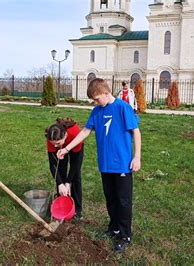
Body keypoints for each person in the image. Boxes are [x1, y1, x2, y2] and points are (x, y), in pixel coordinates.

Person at [57, 78, 141, 253]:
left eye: (96, 99)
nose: (95, 102)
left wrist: (137, 157)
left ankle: (125, 235)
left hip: (123, 165)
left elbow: (136, 132)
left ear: (106, 92)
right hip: (105, 165)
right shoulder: (96, 111)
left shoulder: (122, 107)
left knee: (123, 201)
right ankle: (114, 228)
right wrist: (66, 148)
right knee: (110, 199)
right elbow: (85, 132)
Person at [46, 118, 84, 219]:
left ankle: (78, 210)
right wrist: (60, 183)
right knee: (61, 171)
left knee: (76, 176)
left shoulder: (75, 134)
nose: (55, 146)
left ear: (65, 135)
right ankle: (61, 208)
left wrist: (68, 182)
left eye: (58, 143)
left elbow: (76, 164)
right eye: (53, 143)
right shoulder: (52, 138)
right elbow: (53, 165)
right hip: (63, 144)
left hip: (74, 144)